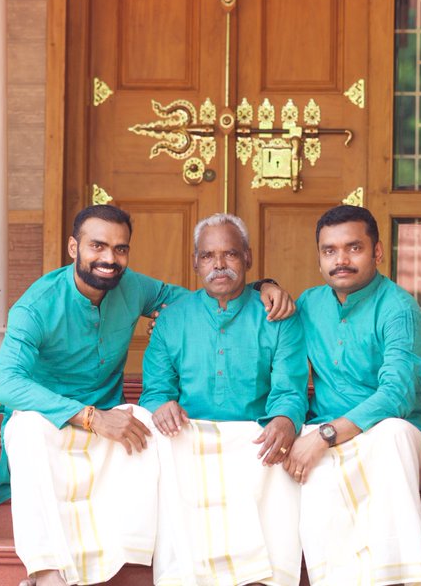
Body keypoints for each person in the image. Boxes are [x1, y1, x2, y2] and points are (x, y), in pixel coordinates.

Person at [0, 204, 294, 586]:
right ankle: (46, 571)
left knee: (147, 423)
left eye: (120, 248)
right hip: (51, 416)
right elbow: (8, 384)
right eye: (97, 246)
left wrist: (264, 286)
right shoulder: (37, 305)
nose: (109, 258)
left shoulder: (133, 286)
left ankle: (119, 556)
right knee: (24, 429)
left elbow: (208, 297)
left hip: (112, 413)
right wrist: (92, 418)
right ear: (73, 247)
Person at [285, 205, 421, 586]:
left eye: (353, 248)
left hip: (396, 438)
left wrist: (325, 436)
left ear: (376, 252)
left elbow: (397, 394)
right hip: (330, 436)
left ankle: (403, 579)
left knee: (390, 433)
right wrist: (265, 285)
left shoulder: (398, 308)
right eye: (329, 251)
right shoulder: (309, 304)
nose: (340, 260)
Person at [139, 213, 309, 586]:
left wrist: (284, 419)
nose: (219, 265)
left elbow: (290, 390)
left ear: (247, 258)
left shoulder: (277, 316)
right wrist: (161, 405)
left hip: (254, 436)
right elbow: (154, 389)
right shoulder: (172, 319)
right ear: (195, 262)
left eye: (230, 255)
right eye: (207, 256)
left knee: (279, 455)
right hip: (189, 436)